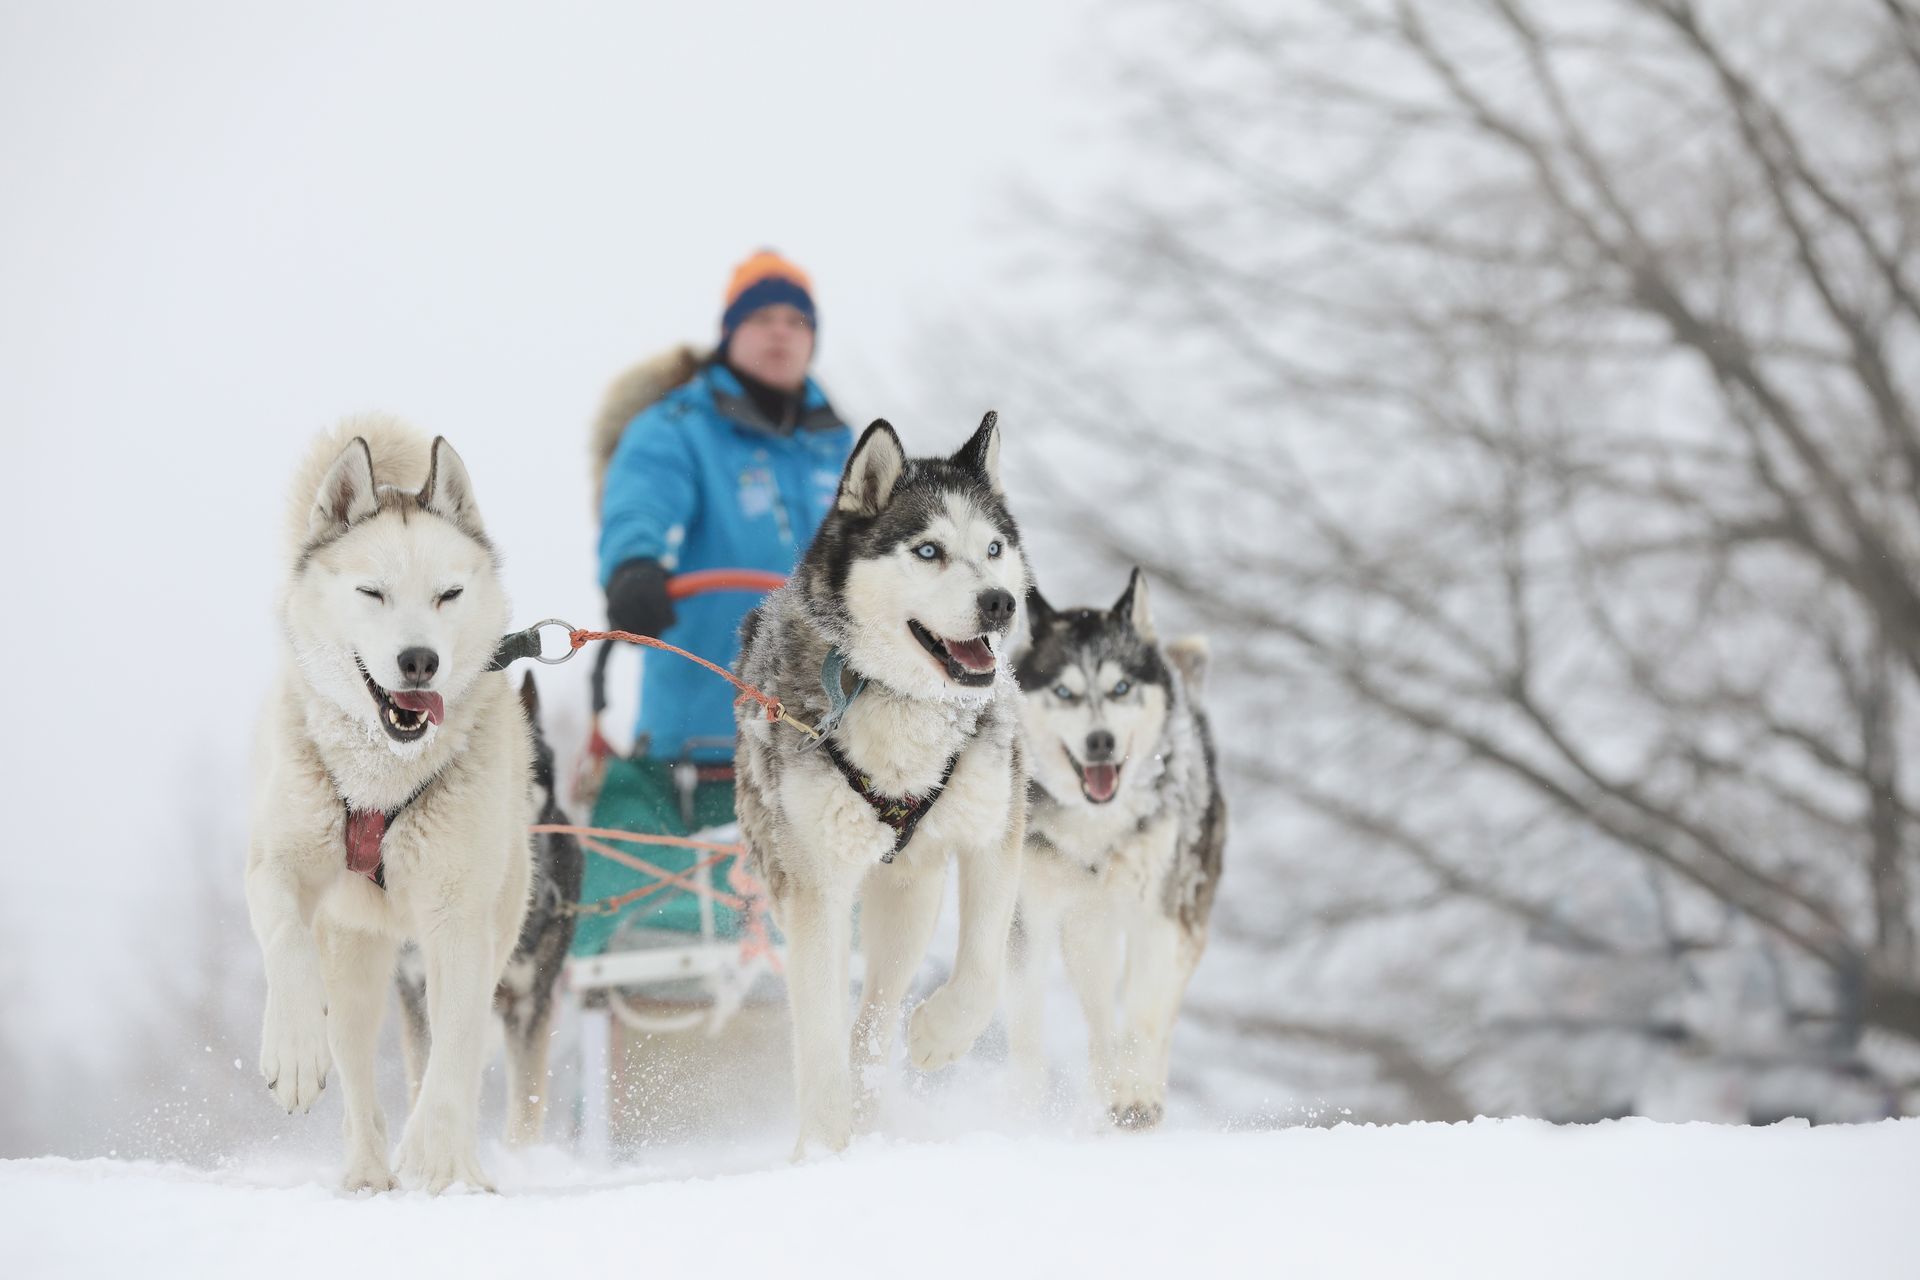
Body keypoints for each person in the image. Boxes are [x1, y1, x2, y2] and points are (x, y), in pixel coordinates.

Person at [577, 250, 852, 953]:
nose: (781, 333)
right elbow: (639, 501)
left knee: (832, 928)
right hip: (702, 735)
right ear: (729, 331)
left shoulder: (838, 446)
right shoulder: (677, 430)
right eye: (762, 316)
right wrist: (634, 565)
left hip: (828, 735)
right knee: (674, 936)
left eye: (797, 319)